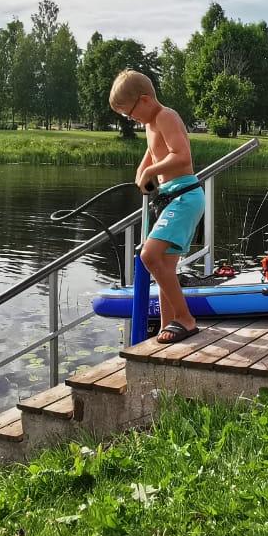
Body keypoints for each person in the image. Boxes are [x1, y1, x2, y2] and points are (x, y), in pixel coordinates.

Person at [109, 69, 204, 344]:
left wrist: (151, 171)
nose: (131, 119)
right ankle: (167, 323)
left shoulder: (165, 116)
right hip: (168, 197)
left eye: (131, 113)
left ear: (145, 99)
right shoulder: (151, 125)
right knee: (164, 264)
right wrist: (142, 174)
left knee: (150, 256)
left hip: (184, 196)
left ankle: (186, 319)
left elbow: (181, 156)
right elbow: (151, 155)